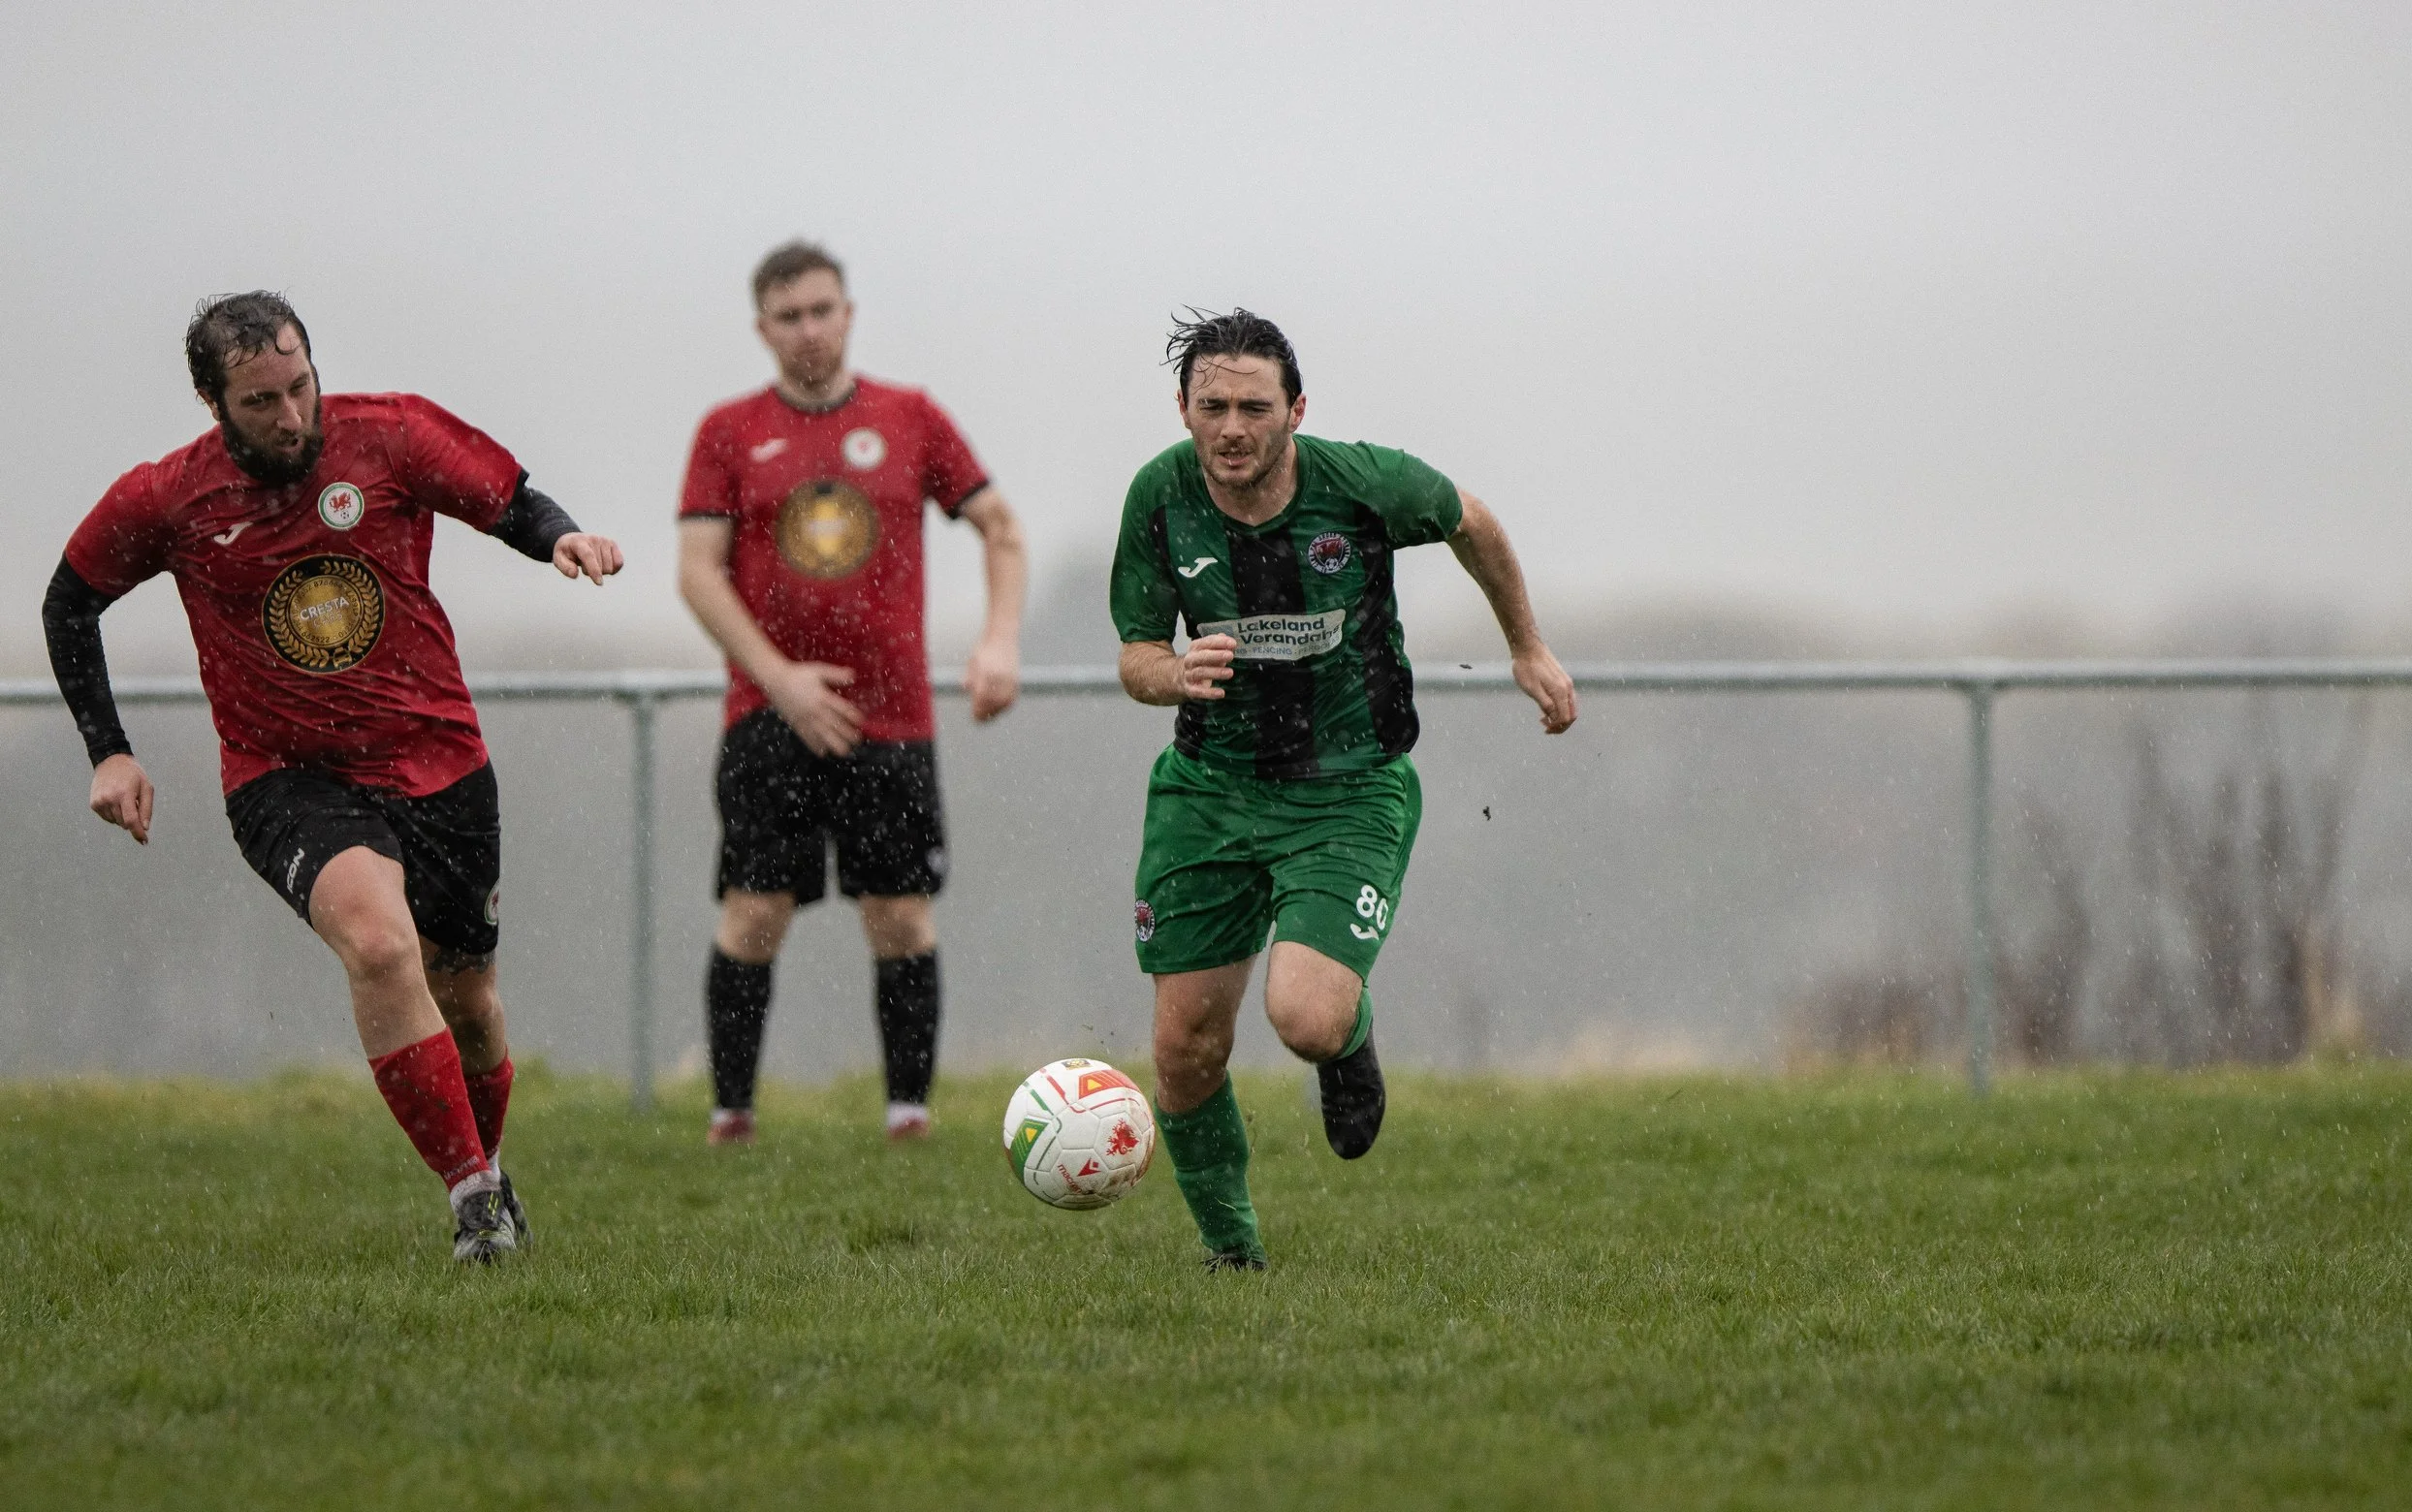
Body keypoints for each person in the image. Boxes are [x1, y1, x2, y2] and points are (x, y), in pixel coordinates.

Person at [42, 292, 625, 1265]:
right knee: (379, 945)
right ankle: (475, 1203)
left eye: (299, 386)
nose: (290, 416)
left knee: (470, 1000)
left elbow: (509, 495)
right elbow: (71, 601)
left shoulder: (390, 435)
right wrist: (109, 748)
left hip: (437, 759)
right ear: (212, 401)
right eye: (261, 400)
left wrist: (560, 537)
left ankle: (486, 1163)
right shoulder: (168, 498)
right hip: (286, 776)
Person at [1110, 309, 1577, 1270]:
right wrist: (1173, 673)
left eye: (1252, 405)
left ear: (1294, 410)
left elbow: (1471, 521)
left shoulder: (1360, 484)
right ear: (1183, 408)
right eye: (1212, 407)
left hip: (1348, 789)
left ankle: (1349, 1039)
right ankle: (1232, 1257)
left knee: (1305, 1017)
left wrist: (1526, 647)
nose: (1231, 427)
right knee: (1185, 1050)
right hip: (1207, 790)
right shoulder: (1158, 497)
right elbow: (1136, 655)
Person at [677, 241, 1027, 1145]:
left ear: (849, 313)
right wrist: (782, 681)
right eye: (789, 316)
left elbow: (999, 527)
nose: (809, 331)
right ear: (762, 329)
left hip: (891, 716)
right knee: (755, 912)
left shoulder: (909, 417)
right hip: (769, 714)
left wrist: (998, 642)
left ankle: (908, 1117)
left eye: (822, 310)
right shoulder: (726, 431)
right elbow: (698, 573)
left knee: (900, 914)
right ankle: (731, 1116)